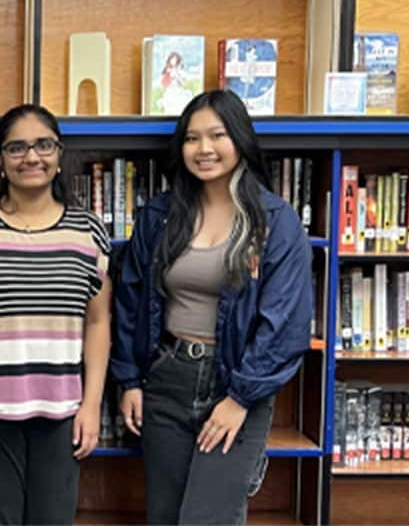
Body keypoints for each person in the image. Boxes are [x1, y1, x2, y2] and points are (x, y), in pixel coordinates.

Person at [111, 89, 312, 524]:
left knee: (211, 517)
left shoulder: (276, 222)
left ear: (240, 139)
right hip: (167, 378)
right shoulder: (158, 217)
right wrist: (129, 381)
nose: (203, 149)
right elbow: (130, 300)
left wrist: (240, 398)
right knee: (165, 515)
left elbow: (286, 325)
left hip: (236, 384)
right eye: (191, 138)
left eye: (217, 135)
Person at [0, 104, 111, 524]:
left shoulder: (87, 229)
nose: (31, 157)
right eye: (17, 147)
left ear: (59, 153)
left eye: (43, 145)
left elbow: (99, 321)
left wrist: (91, 405)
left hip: (62, 414)